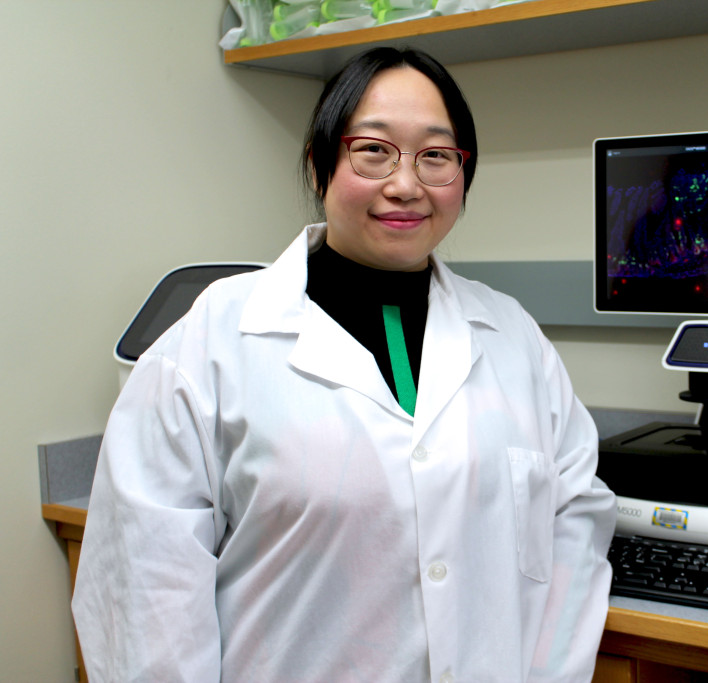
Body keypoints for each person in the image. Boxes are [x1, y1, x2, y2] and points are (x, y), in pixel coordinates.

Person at [72, 46, 617, 683]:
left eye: (436, 156)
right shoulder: (209, 344)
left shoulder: (513, 336)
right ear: (319, 163)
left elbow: (575, 521)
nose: (406, 185)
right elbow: (145, 596)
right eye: (374, 150)